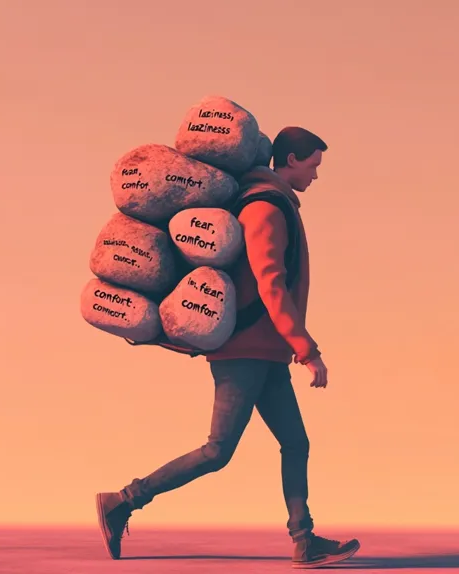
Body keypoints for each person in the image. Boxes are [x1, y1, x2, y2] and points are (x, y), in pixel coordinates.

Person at [95, 127, 360, 569]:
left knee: (296, 442)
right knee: (218, 451)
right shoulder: (265, 209)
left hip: (266, 350)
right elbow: (270, 281)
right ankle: (122, 501)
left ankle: (304, 540)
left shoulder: (273, 202)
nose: (316, 175)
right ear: (291, 160)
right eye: (313, 165)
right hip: (245, 350)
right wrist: (307, 349)